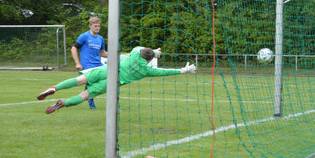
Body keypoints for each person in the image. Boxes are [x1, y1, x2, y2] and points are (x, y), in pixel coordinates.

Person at [37, 46, 196, 114]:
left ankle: (54, 88)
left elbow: (141, 49)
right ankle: (62, 104)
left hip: (105, 70)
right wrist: (184, 70)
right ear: (149, 60)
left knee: (79, 80)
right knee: (85, 95)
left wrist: (153, 51)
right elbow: (164, 72)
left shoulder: (134, 52)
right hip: (112, 82)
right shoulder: (146, 70)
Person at [71, 16, 108, 109]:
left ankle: (114, 103)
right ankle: (90, 100)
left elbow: (102, 53)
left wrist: (114, 55)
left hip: (98, 65)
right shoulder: (84, 36)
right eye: (95, 26)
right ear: (90, 26)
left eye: (99, 26)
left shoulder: (100, 38)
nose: (97, 28)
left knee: (109, 80)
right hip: (87, 66)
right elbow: (74, 48)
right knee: (92, 83)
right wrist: (77, 63)